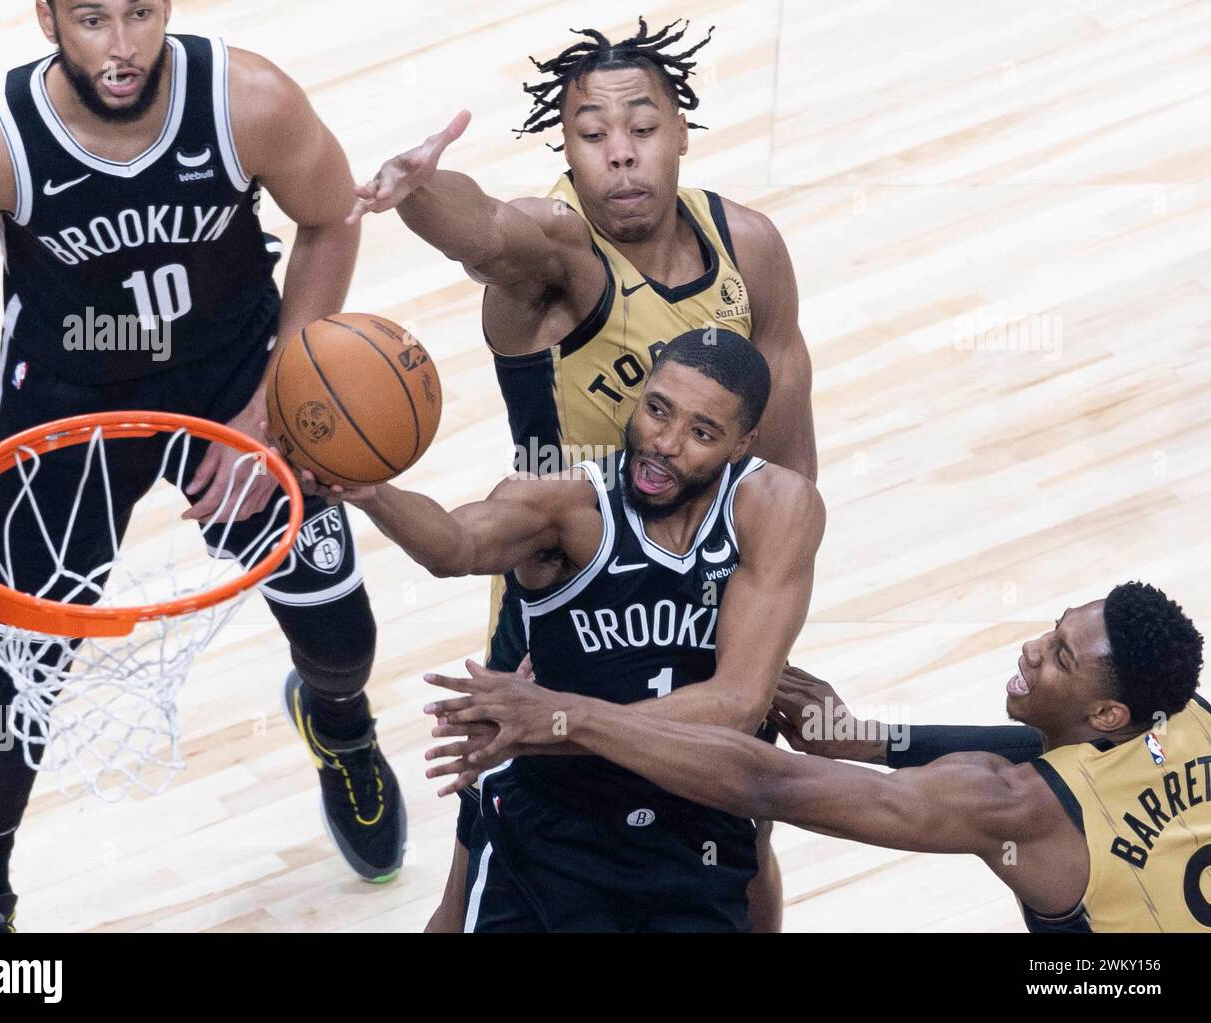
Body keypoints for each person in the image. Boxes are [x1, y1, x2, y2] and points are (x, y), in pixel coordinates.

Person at [0, 0, 401, 933]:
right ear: (47, 19)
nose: (125, 45)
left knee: (341, 631)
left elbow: (333, 218)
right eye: (94, 19)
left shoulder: (248, 100)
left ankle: (339, 725)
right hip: (68, 406)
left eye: (142, 12)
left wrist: (271, 407)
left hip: (232, 378)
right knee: (22, 665)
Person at [344, 17, 816, 932]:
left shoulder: (749, 247)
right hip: (563, 567)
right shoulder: (561, 250)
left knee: (741, 817)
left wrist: (774, 601)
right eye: (592, 137)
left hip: (702, 575)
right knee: (493, 844)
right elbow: (488, 232)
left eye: (641, 129)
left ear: (681, 130)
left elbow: (787, 456)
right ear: (567, 148)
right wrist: (421, 190)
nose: (621, 157)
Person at [332, 329, 823, 930]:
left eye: (702, 433)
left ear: (743, 444)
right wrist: (373, 494)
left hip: (693, 827)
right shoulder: (566, 507)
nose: (665, 444)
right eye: (657, 409)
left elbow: (737, 707)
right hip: (554, 825)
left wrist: (549, 724)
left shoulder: (773, 508)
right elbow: (455, 545)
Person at [428, 583, 1210, 932]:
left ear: (1108, 711)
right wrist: (865, 736)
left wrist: (567, 717)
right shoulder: (1189, 716)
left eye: (1061, 656)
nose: (1032, 647)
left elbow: (769, 781)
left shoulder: (1015, 809)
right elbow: (1047, 760)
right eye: (1051, 628)